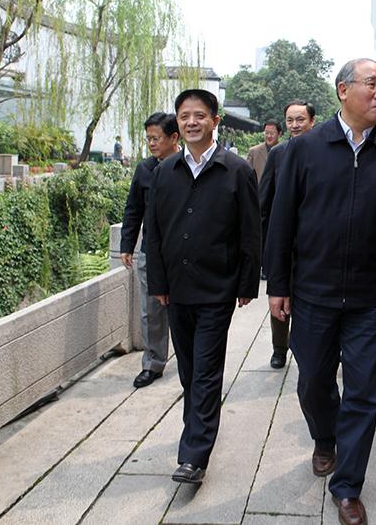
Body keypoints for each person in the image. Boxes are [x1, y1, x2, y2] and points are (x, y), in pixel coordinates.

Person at [265, 58, 376, 525]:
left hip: (373, 298)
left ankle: (348, 486)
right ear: (342, 90)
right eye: (372, 84)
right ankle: (324, 437)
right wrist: (278, 283)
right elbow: (281, 221)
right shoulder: (304, 149)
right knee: (313, 380)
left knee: (364, 394)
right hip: (314, 292)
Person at [145, 89, 261, 485]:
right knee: (189, 370)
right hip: (177, 288)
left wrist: (247, 283)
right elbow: (154, 232)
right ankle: (197, 429)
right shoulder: (165, 172)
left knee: (207, 370)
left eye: (199, 115)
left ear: (215, 120)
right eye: (184, 116)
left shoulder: (236, 170)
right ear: (177, 124)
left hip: (217, 287)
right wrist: (158, 282)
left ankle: (194, 455)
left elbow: (250, 231)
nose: (191, 122)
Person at [120, 112, 180, 388]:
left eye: (157, 138)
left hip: (182, 252)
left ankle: (189, 358)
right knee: (151, 309)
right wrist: (127, 244)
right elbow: (133, 208)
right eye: (149, 139)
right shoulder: (145, 169)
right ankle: (153, 362)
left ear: (174, 138)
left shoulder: (187, 166)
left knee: (183, 307)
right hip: (151, 252)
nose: (152, 144)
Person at [258, 100, 316, 368]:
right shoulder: (278, 154)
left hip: (313, 242)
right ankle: (279, 348)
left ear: (312, 121)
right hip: (283, 241)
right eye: (290, 120)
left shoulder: (323, 152)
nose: (294, 125)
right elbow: (264, 201)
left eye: (300, 120)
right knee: (279, 294)